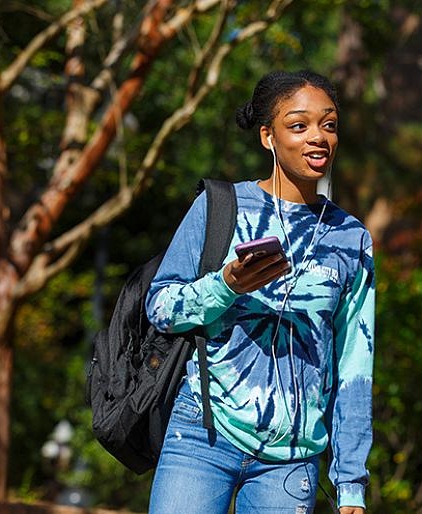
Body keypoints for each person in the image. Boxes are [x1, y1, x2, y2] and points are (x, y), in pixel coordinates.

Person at [145, 70, 374, 514]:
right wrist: (226, 285)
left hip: (291, 460)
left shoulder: (352, 238)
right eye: (299, 125)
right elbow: (160, 306)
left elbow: (355, 366)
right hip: (202, 432)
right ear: (268, 136)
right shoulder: (219, 207)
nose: (318, 138)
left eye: (329, 125)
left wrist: (351, 485)